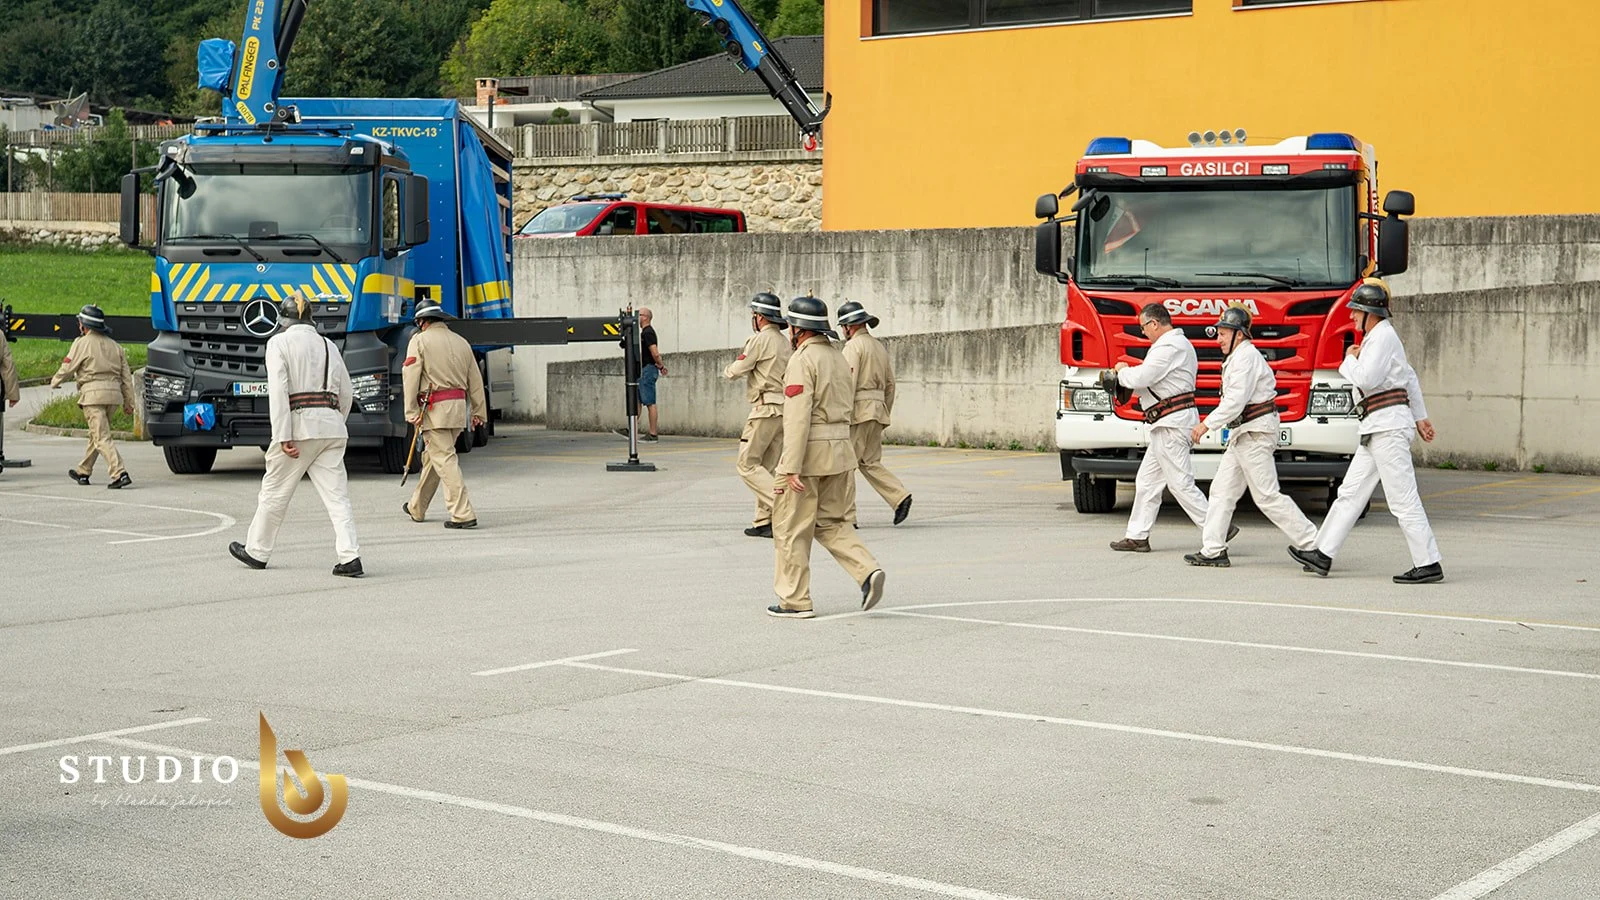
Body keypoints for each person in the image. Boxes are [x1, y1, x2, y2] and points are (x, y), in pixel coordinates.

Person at [1290, 278, 1443, 584]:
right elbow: (1410, 377)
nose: (1351, 316)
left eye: (1355, 311)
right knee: (1349, 493)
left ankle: (1428, 562)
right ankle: (1322, 553)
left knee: (1403, 499)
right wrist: (1420, 417)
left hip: (1387, 427)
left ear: (1369, 312)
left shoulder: (1382, 336)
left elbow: (1367, 379)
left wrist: (1348, 360)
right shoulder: (1380, 338)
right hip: (1378, 426)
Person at [229, 292, 362, 577]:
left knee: (275, 491)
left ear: (284, 320)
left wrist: (282, 434)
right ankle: (350, 556)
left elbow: (278, 390)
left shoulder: (278, 343)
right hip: (331, 427)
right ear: (310, 319)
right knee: (337, 497)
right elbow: (347, 393)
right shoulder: (329, 345)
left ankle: (257, 551)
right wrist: (334, 421)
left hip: (299, 427)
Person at [769, 295, 885, 619]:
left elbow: (797, 417)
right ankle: (867, 570)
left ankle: (794, 600)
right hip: (841, 452)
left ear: (798, 329)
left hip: (809, 455)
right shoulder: (838, 356)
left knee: (791, 527)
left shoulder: (802, 360)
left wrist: (789, 466)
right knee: (833, 523)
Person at [1184, 305, 1316, 567]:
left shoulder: (1246, 358)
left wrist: (1206, 424)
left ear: (1240, 334)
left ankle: (1314, 544)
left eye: (1224, 333)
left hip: (1255, 434)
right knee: (1221, 491)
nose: (1218, 339)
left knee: (1267, 496)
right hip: (1244, 434)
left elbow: (1235, 401)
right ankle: (1213, 549)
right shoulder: (1239, 357)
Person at [1108, 302, 1226, 551]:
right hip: (1167, 421)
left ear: (1154, 323)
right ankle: (1137, 536)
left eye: (1143, 327)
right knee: (1147, 481)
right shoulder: (1174, 345)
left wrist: (1121, 372)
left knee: (1180, 483)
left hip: (1171, 423)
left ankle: (1217, 528)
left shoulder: (1170, 346)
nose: (1143, 333)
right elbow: (1153, 382)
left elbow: (1144, 376)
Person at [402, 298, 488, 529]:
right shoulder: (462, 342)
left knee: (445, 460)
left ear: (422, 322)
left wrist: (411, 411)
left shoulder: (419, 341)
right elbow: (475, 381)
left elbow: (410, 376)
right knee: (435, 458)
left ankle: (462, 514)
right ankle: (416, 507)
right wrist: (478, 411)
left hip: (434, 411)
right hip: (457, 411)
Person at [837, 300, 912, 525]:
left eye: (843, 327)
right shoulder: (878, 347)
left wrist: (842, 414)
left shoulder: (853, 347)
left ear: (849, 326)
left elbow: (848, 382)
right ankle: (899, 496)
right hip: (877, 410)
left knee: (846, 464)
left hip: (858, 412)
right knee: (870, 461)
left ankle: (846, 516)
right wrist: (883, 410)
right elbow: (890, 385)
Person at [723, 292, 791, 538]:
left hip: (765, 408)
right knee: (768, 467)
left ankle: (785, 507)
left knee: (747, 464)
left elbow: (737, 370)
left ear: (760, 317)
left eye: (754, 314)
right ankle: (764, 521)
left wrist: (728, 370)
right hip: (783, 408)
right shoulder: (785, 341)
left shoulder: (760, 340)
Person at [51, 305, 135, 489]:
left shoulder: (82, 343)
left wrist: (55, 381)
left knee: (101, 437)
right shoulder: (115, 346)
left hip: (93, 396)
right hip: (113, 398)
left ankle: (119, 473)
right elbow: (126, 378)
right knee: (96, 435)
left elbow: (68, 366)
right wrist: (129, 402)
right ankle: (83, 471)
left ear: (84, 325)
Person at [615, 307, 666, 441]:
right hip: (644, 370)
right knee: (637, 401)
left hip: (647, 370)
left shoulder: (648, 333)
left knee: (650, 402)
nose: (636, 318)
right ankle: (631, 429)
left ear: (645, 317)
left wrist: (660, 364)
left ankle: (653, 434)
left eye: (639, 315)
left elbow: (655, 352)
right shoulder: (643, 333)